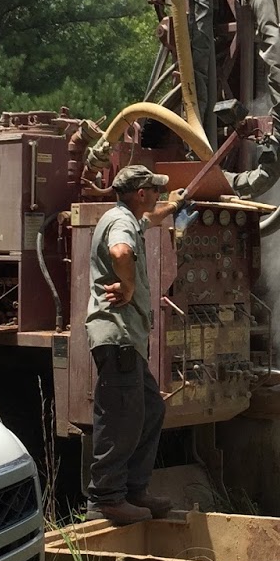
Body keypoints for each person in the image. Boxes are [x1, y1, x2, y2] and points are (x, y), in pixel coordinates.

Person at [84, 163, 185, 523]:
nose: (157, 194)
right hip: (118, 336)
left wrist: (174, 204)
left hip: (126, 338)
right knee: (121, 416)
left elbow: (151, 219)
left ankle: (134, 491)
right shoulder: (122, 223)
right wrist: (127, 287)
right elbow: (121, 252)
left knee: (149, 410)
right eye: (155, 190)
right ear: (140, 193)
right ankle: (107, 498)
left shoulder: (127, 215)